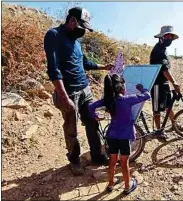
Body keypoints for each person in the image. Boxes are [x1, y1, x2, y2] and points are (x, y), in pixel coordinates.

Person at [43, 7, 114, 176]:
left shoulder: (77, 42)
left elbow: (84, 62)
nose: (84, 32)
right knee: (71, 128)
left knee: (93, 121)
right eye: (83, 27)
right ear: (73, 20)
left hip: (85, 89)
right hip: (69, 92)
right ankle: (74, 159)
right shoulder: (53, 35)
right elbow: (54, 69)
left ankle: (97, 155)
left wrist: (104, 66)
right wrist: (63, 97)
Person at [88, 74, 150, 195]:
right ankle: (127, 186)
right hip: (124, 136)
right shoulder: (128, 99)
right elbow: (147, 95)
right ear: (122, 88)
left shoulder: (108, 101)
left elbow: (91, 106)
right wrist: (142, 89)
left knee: (112, 161)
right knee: (124, 162)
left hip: (111, 135)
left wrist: (95, 116)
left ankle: (110, 184)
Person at [150, 25, 183, 141]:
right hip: (156, 85)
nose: (169, 38)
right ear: (161, 37)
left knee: (168, 105)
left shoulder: (163, 49)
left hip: (164, 84)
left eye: (171, 36)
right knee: (157, 109)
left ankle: (175, 125)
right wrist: (174, 82)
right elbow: (164, 71)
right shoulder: (158, 51)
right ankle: (158, 131)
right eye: (167, 36)